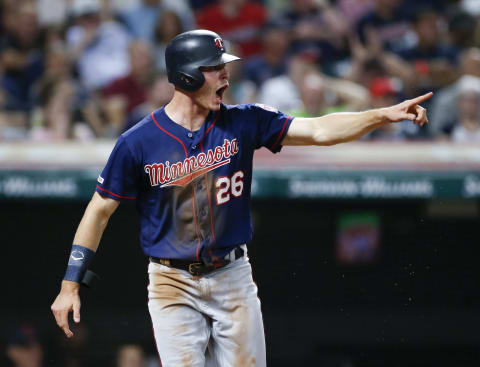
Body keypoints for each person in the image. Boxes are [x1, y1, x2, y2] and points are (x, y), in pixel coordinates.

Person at [51, 29, 431, 366]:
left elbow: (319, 131)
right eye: (215, 68)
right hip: (171, 282)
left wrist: (381, 115)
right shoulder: (138, 141)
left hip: (232, 275)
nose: (225, 75)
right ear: (186, 74)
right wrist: (70, 285)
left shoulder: (245, 120)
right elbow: (99, 209)